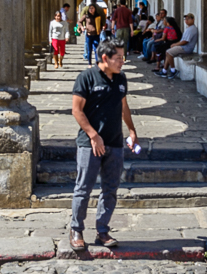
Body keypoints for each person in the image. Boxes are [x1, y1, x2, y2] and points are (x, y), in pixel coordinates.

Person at [69, 38, 138, 252]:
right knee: (83, 188)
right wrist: (93, 134)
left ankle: (102, 230)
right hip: (90, 144)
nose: (122, 62)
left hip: (115, 142)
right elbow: (76, 110)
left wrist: (132, 131)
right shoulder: (86, 77)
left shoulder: (121, 78)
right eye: (118, 58)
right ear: (105, 58)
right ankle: (76, 229)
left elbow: (123, 105)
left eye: (123, 57)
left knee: (110, 189)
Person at [158, 13, 199, 79]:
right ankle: (164, 71)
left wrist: (175, 44)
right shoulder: (189, 28)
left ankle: (173, 70)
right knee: (168, 51)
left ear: (193, 19)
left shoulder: (192, 29)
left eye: (188, 19)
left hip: (186, 48)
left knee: (169, 52)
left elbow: (185, 41)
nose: (186, 20)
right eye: (185, 19)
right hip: (183, 47)